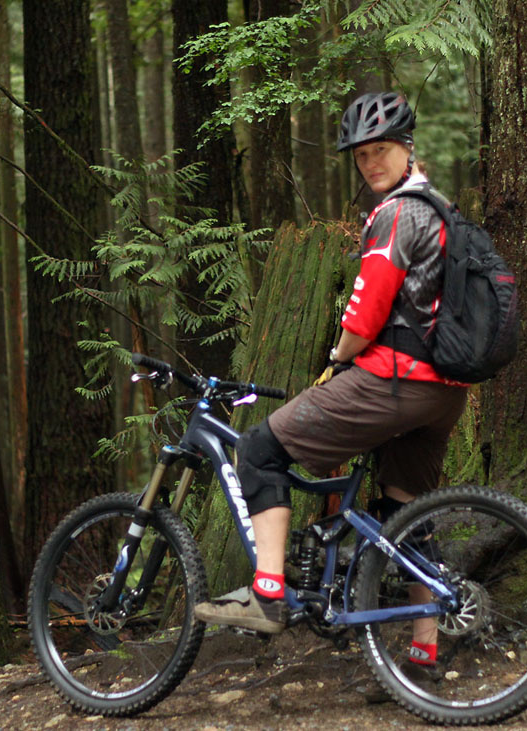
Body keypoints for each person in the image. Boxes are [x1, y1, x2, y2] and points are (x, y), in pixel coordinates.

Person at [195, 91, 469, 680]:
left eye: (381, 151)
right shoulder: (442, 209)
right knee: (407, 512)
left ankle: (266, 592)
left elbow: (368, 306)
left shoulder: (398, 212)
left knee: (260, 448)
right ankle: (423, 651)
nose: (371, 163)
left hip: (396, 380)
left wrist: (338, 355)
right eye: (361, 154)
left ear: (407, 150)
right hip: (444, 390)